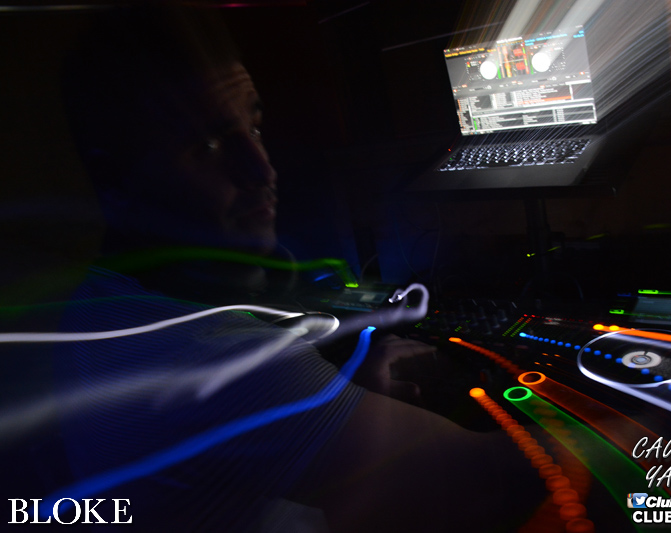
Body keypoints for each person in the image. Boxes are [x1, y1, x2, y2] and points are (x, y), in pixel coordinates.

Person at [56, 4, 544, 531]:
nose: (262, 169)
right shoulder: (219, 362)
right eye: (207, 145)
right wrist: (617, 415)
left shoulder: (96, 299)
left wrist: (344, 399)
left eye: (254, 126)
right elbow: (494, 484)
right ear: (116, 181)